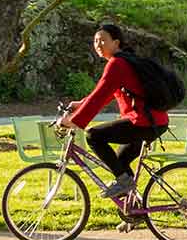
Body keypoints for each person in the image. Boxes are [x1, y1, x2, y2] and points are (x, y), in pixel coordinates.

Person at [56, 23, 170, 198]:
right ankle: (133, 209)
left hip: (143, 122)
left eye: (103, 40)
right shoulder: (124, 60)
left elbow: (99, 97)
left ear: (116, 43)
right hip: (154, 121)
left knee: (93, 135)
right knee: (120, 162)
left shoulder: (117, 64)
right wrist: (80, 104)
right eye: (95, 41)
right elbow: (107, 92)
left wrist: (73, 120)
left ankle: (124, 183)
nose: (98, 44)